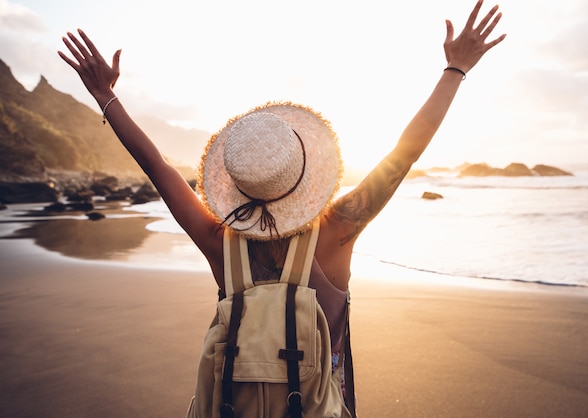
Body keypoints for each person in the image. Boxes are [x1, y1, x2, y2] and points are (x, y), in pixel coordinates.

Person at [59, 0, 505, 415]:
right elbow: (404, 154)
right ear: (307, 171)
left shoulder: (220, 241)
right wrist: (455, 68)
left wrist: (106, 96)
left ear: (236, 184)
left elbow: (156, 166)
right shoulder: (337, 231)